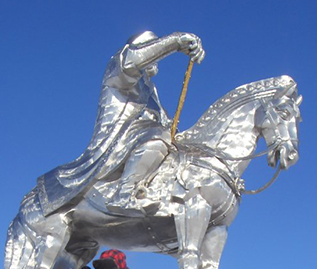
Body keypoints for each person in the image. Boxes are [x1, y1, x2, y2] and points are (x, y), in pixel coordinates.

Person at [37, 31, 205, 216]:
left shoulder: (150, 89)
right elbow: (133, 60)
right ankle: (125, 194)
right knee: (159, 136)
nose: (156, 56)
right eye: (152, 46)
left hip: (137, 143)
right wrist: (175, 42)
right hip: (118, 145)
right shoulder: (119, 67)